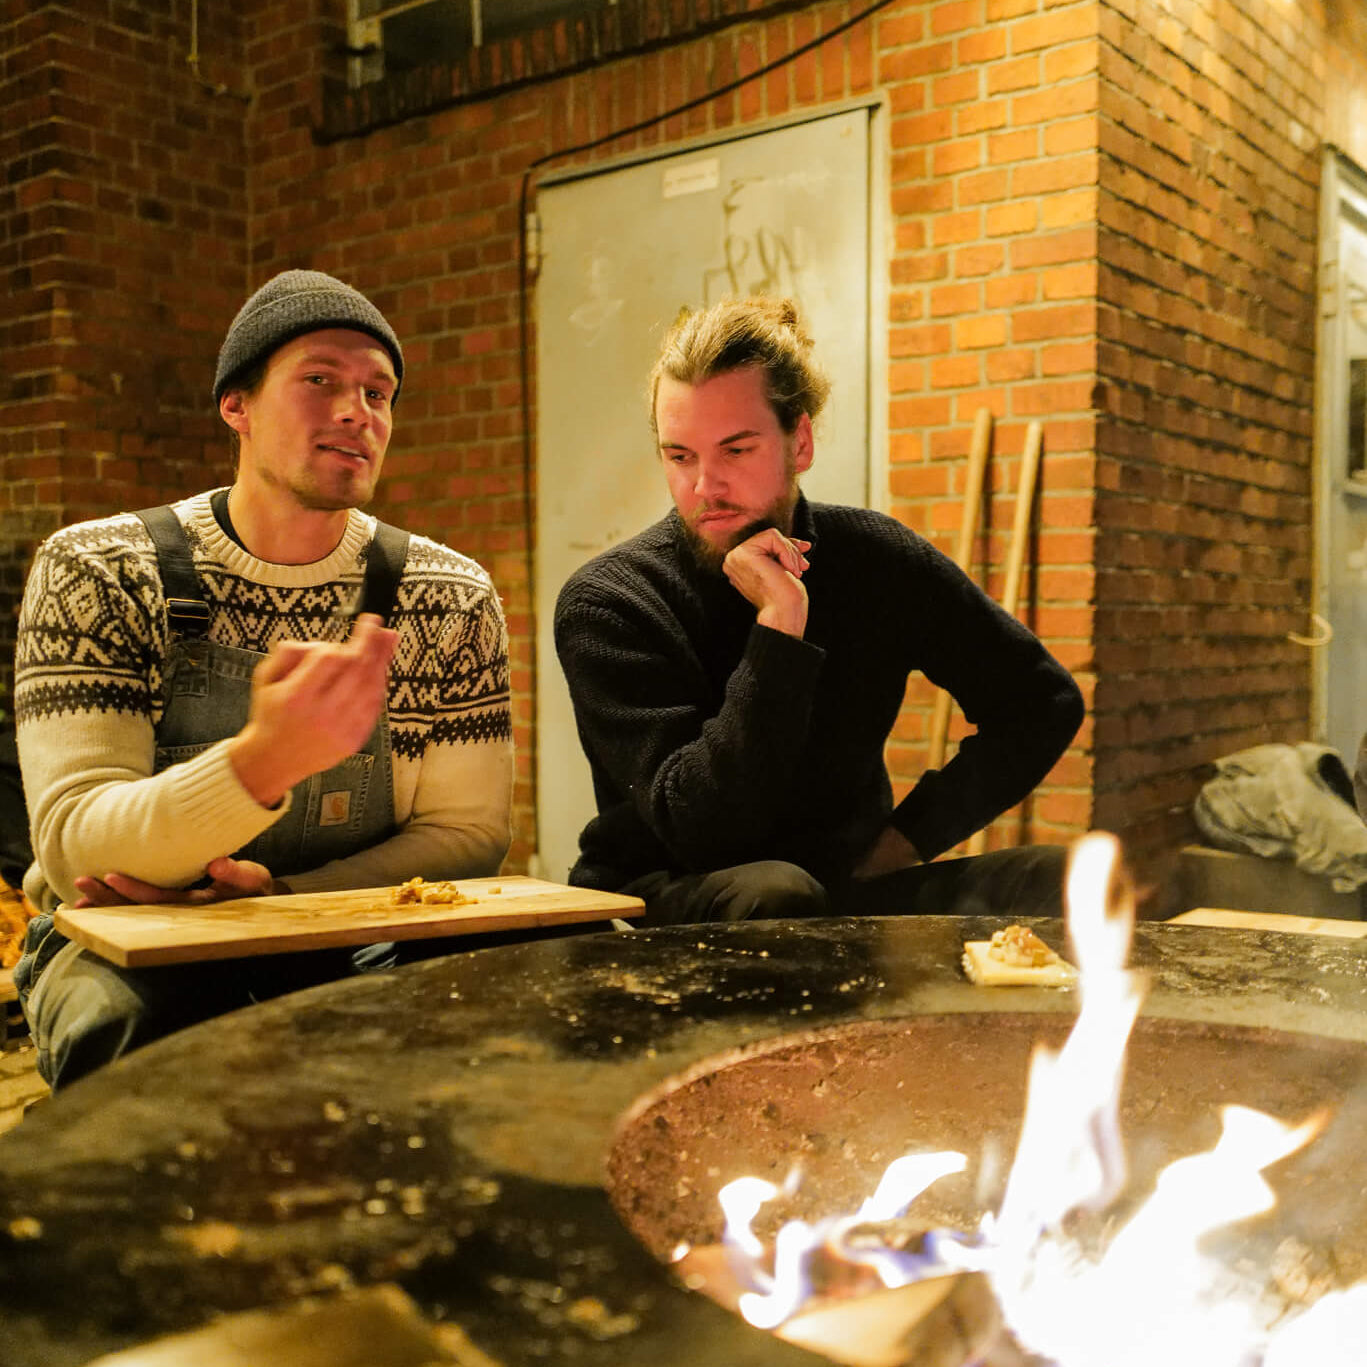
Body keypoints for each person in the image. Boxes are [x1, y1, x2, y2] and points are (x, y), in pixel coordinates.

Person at [13, 269, 514, 1087]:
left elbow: (468, 834)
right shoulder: (99, 568)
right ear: (234, 405)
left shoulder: (447, 593)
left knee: (495, 990)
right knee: (129, 1032)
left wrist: (279, 890)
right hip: (128, 942)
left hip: (350, 928)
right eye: (321, 380)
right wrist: (260, 765)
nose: (359, 411)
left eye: (379, 392)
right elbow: (77, 848)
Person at [554, 297, 1084, 926]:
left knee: (1060, 879)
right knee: (778, 893)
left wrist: (903, 842)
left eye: (736, 450)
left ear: (798, 442)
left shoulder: (873, 558)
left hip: (842, 886)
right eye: (681, 457)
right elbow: (704, 832)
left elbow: (1041, 703)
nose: (705, 487)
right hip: (673, 898)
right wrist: (780, 626)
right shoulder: (612, 601)